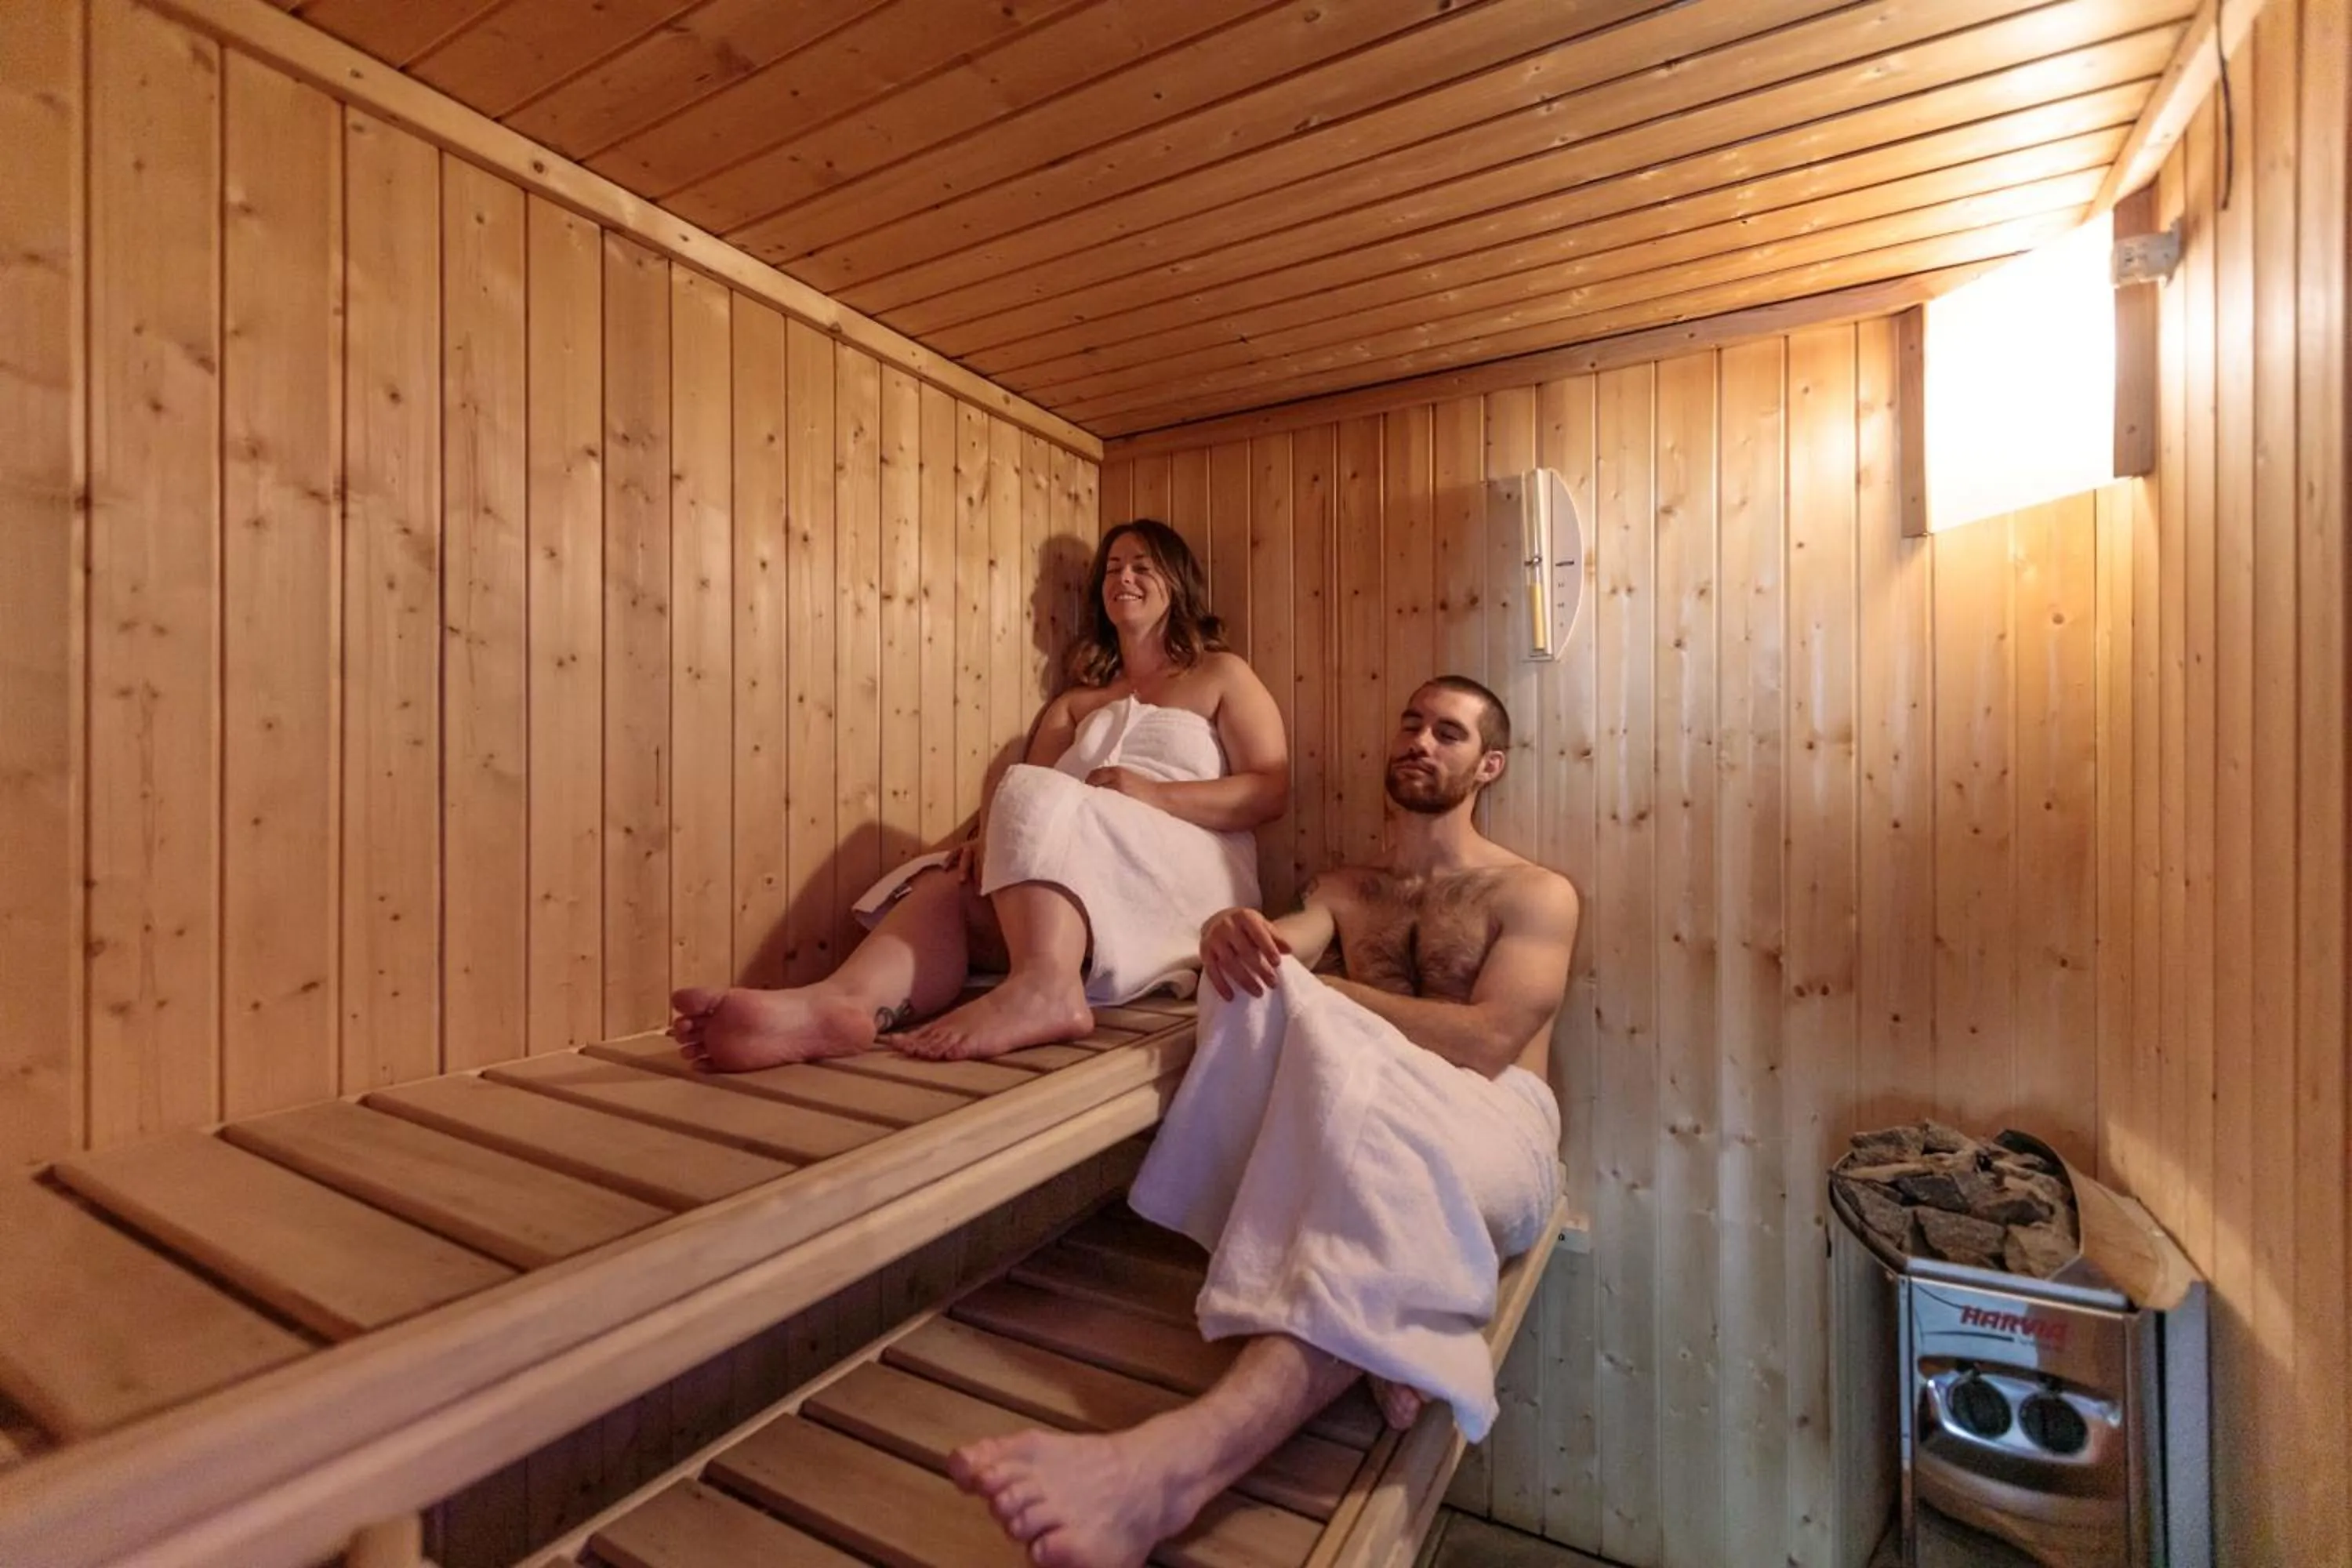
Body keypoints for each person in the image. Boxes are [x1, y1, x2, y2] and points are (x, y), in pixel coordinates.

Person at [947, 677, 1579, 1568]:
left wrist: (1314, 986)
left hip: (1496, 1126)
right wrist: (1228, 933)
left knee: (1350, 1076)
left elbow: (1486, 1041)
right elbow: (1280, 957)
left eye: (1448, 731)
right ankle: (1394, 1328)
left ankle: (1173, 1466)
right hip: (1368, 1111)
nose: (1421, 741)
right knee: (1258, 991)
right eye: (1410, 722)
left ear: (1489, 764)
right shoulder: (1348, 889)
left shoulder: (1534, 892)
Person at [671, 520, 1288, 1069]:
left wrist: (1153, 794)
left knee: (1031, 794)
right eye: (1113, 568)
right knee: (948, 887)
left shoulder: (1219, 673)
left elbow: (1270, 788)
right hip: (1078, 888)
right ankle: (838, 1009)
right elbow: (1031, 793)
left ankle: (1046, 987)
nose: (1123, 577)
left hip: (1188, 883)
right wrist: (987, 842)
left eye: (1142, 566)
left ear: (1177, 584)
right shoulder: (1074, 704)